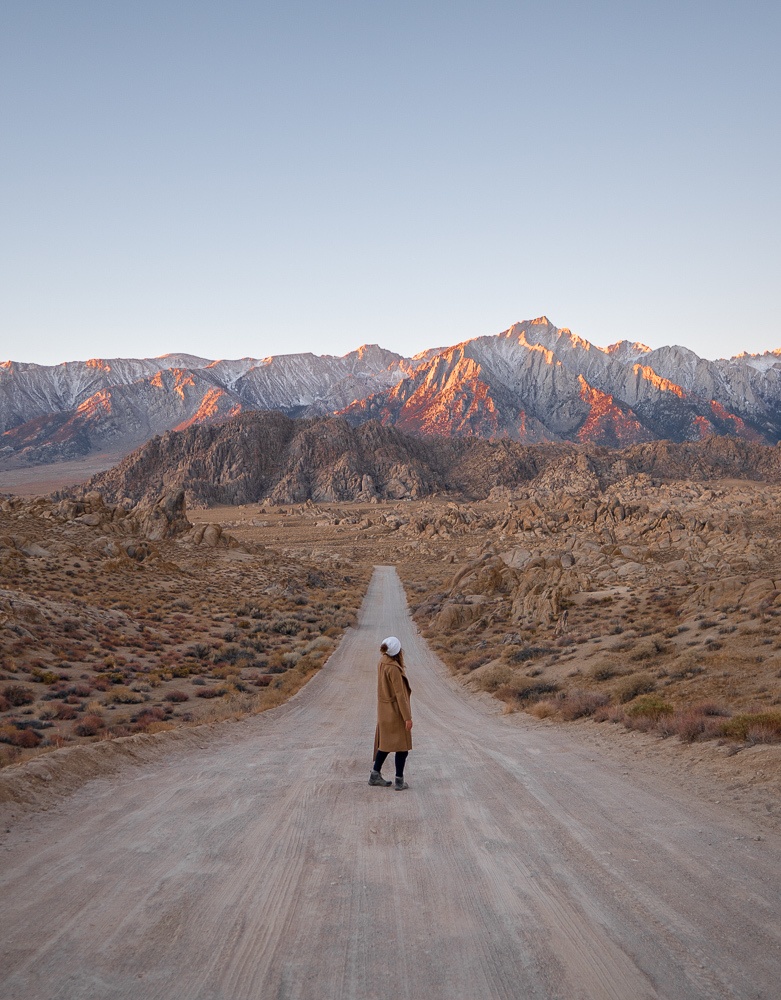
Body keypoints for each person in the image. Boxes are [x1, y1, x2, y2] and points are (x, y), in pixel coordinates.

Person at [369, 636, 413, 790]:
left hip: (384, 710)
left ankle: (375, 774)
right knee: (402, 747)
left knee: (385, 744)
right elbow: (400, 695)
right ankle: (399, 781)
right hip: (395, 712)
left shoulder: (382, 661)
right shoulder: (393, 667)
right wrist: (407, 717)